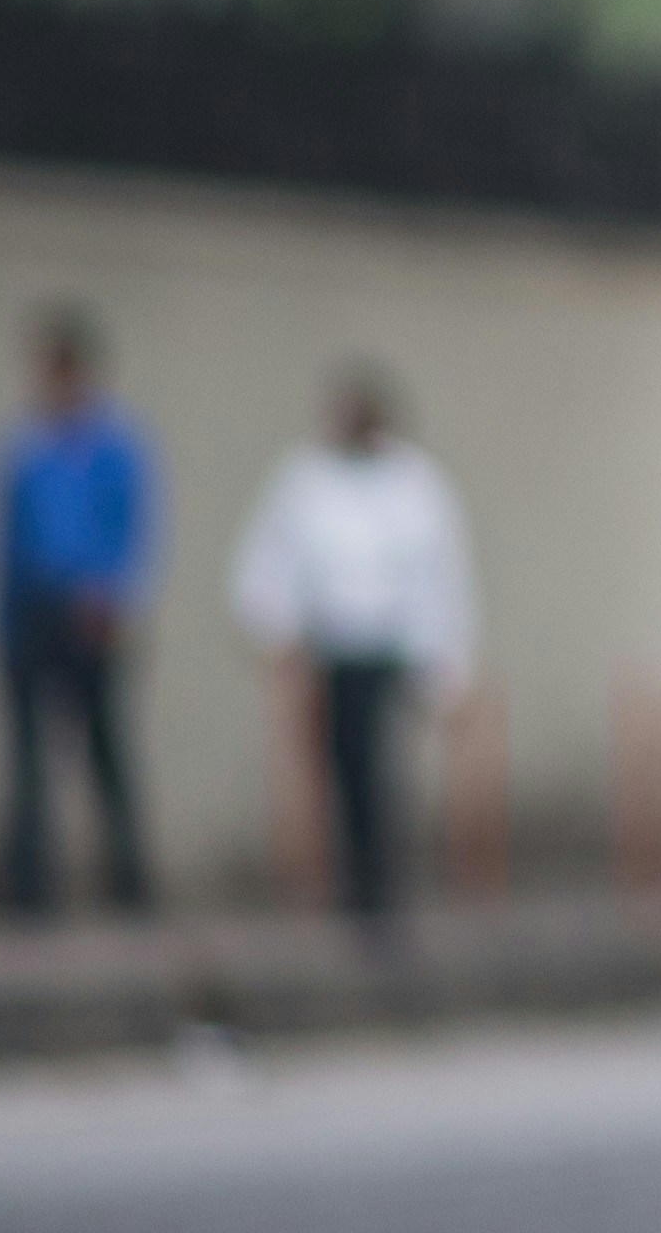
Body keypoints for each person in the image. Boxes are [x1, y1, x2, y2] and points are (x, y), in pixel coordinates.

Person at [228, 362, 477, 936]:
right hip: (331, 650)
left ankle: (381, 883)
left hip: (385, 650)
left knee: (374, 766)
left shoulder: (415, 485)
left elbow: (440, 577)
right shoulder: (306, 480)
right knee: (338, 766)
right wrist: (277, 629)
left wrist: (445, 664)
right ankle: (351, 879)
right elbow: (271, 560)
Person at [0, 304, 157, 918]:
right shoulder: (24, 448)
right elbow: (5, 542)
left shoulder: (114, 448)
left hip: (91, 614)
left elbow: (131, 533)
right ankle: (30, 888)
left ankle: (129, 882)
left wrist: (111, 597)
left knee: (104, 751)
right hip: (31, 614)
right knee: (27, 757)